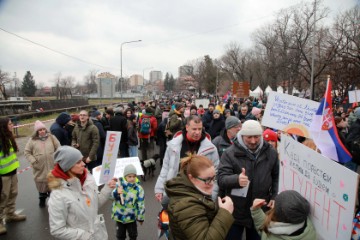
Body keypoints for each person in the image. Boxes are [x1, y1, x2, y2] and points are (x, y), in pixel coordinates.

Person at [217, 120, 279, 240]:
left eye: (256, 137)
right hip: (235, 211)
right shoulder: (230, 153)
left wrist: (274, 196)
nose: (253, 141)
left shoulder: (271, 152)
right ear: (241, 135)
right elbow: (220, 179)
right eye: (249, 137)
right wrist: (236, 179)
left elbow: (276, 176)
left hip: (260, 210)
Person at [48, 146, 117, 240]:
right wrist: (85, 236)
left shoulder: (87, 180)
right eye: (78, 162)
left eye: (82, 160)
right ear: (68, 166)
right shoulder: (58, 195)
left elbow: (95, 204)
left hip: (99, 235)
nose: (83, 164)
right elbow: (57, 229)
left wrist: (108, 188)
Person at [164, 155, 234, 240]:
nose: (212, 184)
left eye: (213, 178)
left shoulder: (193, 190)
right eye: (207, 180)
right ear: (191, 177)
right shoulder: (186, 206)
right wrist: (225, 212)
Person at [155, 115, 219, 206]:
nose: (197, 132)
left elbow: (216, 175)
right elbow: (166, 168)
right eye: (194, 129)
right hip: (175, 192)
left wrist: (211, 196)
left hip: (199, 196)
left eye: (200, 129)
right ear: (187, 127)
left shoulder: (211, 149)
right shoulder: (173, 145)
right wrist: (159, 189)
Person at [251, 190, 316, 239]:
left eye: (275, 206)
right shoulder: (310, 231)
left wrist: (256, 210)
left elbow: (263, 231)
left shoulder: (272, 236)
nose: (273, 205)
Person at [24, 120, 60, 208]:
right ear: (37, 132)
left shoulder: (52, 137)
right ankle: (42, 200)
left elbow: (59, 148)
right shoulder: (32, 140)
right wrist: (33, 161)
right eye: (40, 130)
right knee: (42, 186)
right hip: (39, 168)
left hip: (52, 166)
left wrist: (57, 159)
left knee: (53, 187)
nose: (42, 131)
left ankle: (54, 202)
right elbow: (27, 152)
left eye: (43, 129)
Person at [0, 117, 26, 235]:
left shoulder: (9, 137)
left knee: (13, 193)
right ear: (4, 126)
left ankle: (10, 214)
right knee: (2, 197)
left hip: (12, 172)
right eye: (10, 124)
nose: (12, 125)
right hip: (3, 175)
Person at [111, 164, 145, 240]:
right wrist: (116, 192)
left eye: (134, 176)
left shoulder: (138, 189)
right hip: (119, 217)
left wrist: (140, 218)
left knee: (133, 235)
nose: (132, 179)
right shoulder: (119, 185)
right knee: (120, 236)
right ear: (125, 176)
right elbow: (110, 197)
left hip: (131, 217)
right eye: (129, 176)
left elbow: (141, 204)